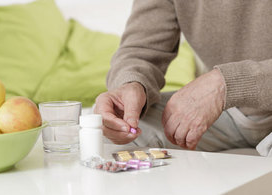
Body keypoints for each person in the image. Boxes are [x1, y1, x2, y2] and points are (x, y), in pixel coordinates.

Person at [94, 0, 272, 151]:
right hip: (232, 112)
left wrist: (226, 85)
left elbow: (226, 86)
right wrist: (130, 84)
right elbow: (142, 48)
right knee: (100, 136)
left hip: (235, 99)